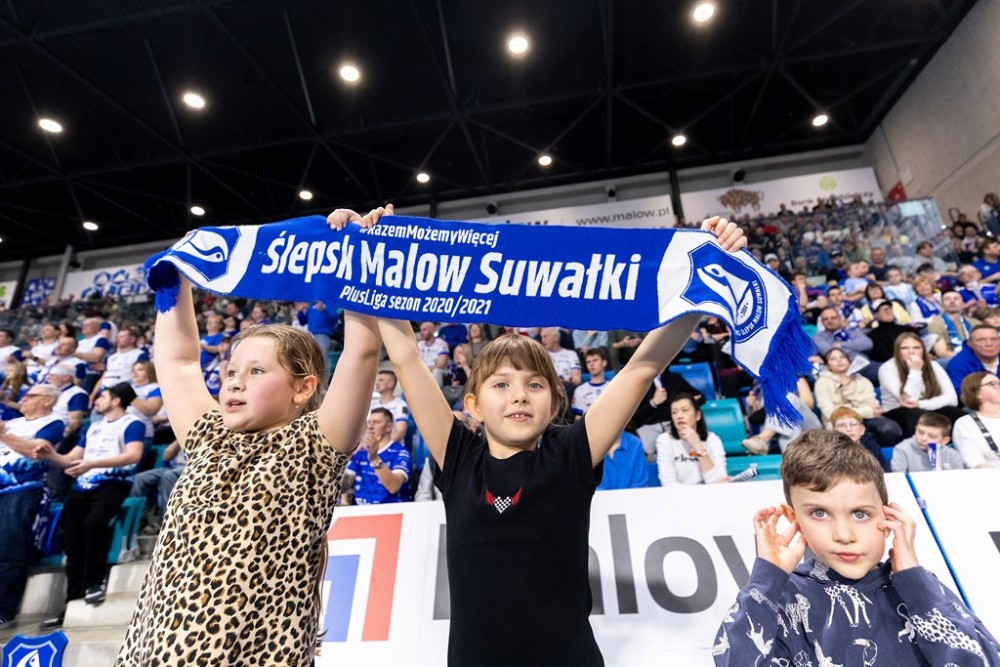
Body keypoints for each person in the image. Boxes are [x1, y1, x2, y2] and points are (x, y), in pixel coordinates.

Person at [377, 212, 746, 666]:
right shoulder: (458, 458)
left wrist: (705, 271)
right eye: (501, 384)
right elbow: (407, 359)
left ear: (554, 404)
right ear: (472, 405)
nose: (519, 395)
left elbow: (641, 367)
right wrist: (378, 256)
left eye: (535, 385)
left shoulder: (569, 453)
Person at [111, 207, 386, 665]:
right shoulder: (207, 435)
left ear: (303, 388)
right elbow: (178, 360)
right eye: (231, 372)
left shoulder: (315, 447)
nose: (235, 383)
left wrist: (359, 253)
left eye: (256, 371)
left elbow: (362, 351)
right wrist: (178, 278)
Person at [712, 430, 1000, 666]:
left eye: (860, 514)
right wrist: (766, 581)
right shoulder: (782, 597)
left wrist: (913, 579)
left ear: (889, 516)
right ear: (793, 518)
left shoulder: (921, 588)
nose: (844, 535)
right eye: (819, 513)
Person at [35, 382, 144, 627]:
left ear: (116, 400)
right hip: (83, 484)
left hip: (114, 483)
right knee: (70, 536)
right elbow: (71, 459)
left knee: (95, 524)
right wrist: (50, 454)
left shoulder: (132, 423)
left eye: (102, 396)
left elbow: (134, 455)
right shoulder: (94, 426)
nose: (96, 400)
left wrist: (93, 464)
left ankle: (94, 582)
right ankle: (72, 599)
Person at [0, 384, 64, 630]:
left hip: (23, 490)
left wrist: (4, 435)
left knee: (9, 548)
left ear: (47, 400)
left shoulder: (53, 423)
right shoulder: (12, 423)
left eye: (30, 395)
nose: (23, 399)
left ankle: (4, 611)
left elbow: (36, 452)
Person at [878, 332, 963, 437]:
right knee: (917, 414)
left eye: (916, 347)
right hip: (897, 413)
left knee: (955, 413)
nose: (911, 352)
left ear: (923, 350)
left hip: (925, 408)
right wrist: (915, 371)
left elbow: (952, 399)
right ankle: (926, 446)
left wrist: (922, 404)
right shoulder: (887, 369)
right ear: (897, 351)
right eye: (904, 348)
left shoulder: (933, 365)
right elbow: (909, 400)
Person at [814, 348, 901, 447]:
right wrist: (866, 411)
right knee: (845, 431)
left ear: (849, 361)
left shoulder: (862, 380)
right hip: (838, 421)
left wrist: (848, 391)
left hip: (866, 418)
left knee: (890, 428)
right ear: (828, 365)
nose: (839, 360)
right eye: (833, 359)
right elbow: (830, 413)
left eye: (842, 357)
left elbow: (874, 406)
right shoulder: (822, 382)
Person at [341, 407, 411, 505]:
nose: (370, 426)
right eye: (369, 422)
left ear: (389, 427)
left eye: (376, 422)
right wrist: (344, 501)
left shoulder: (400, 452)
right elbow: (345, 485)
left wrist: (374, 459)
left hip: (390, 510)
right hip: (360, 510)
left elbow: (394, 487)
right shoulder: (361, 452)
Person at [655, 394, 727, 485]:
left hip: (709, 492)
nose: (679, 416)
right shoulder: (664, 440)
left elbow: (718, 483)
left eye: (684, 410)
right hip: (679, 493)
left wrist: (698, 446)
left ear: (697, 415)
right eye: (674, 412)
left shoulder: (712, 440)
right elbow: (668, 482)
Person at [128, 439, 185, 535]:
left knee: (168, 477)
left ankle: (165, 522)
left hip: (194, 467)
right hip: (174, 467)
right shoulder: (183, 434)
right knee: (139, 479)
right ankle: (138, 522)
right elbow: (166, 456)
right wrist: (179, 439)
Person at [951, 371, 1000, 468]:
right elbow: (975, 463)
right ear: (977, 393)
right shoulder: (965, 424)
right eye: (992, 384)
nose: (998, 387)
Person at [891, 411, 964, 472]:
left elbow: (959, 479)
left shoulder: (953, 455)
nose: (923, 438)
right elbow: (899, 478)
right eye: (920, 432)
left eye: (931, 436)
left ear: (945, 440)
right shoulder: (902, 449)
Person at [829, 406, 890, 471]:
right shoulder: (829, 453)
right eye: (841, 425)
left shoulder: (872, 447)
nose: (848, 429)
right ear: (834, 431)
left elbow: (885, 472)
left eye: (853, 424)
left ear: (862, 429)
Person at [945, 323, 1000, 395]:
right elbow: (963, 394)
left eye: (994, 339)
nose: (989, 344)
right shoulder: (958, 364)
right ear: (970, 343)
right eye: (981, 340)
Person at [370, 369, 409, 444]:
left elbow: (400, 431)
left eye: (381, 380)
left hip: (392, 448)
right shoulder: (372, 405)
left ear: (391, 383)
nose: (377, 383)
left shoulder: (400, 404)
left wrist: (383, 446)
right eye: (377, 380)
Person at [571, 348, 611, 417]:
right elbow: (578, 417)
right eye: (588, 362)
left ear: (604, 363)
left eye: (595, 360)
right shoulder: (579, 390)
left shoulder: (613, 387)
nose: (591, 364)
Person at [417, 321, 451, 387]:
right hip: (423, 371)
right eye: (420, 330)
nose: (421, 332)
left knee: (436, 371)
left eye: (424, 330)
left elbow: (441, 364)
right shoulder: (419, 344)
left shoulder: (441, 344)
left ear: (432, 330)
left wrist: (426, 371)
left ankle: (435, 393)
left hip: (440, 371)